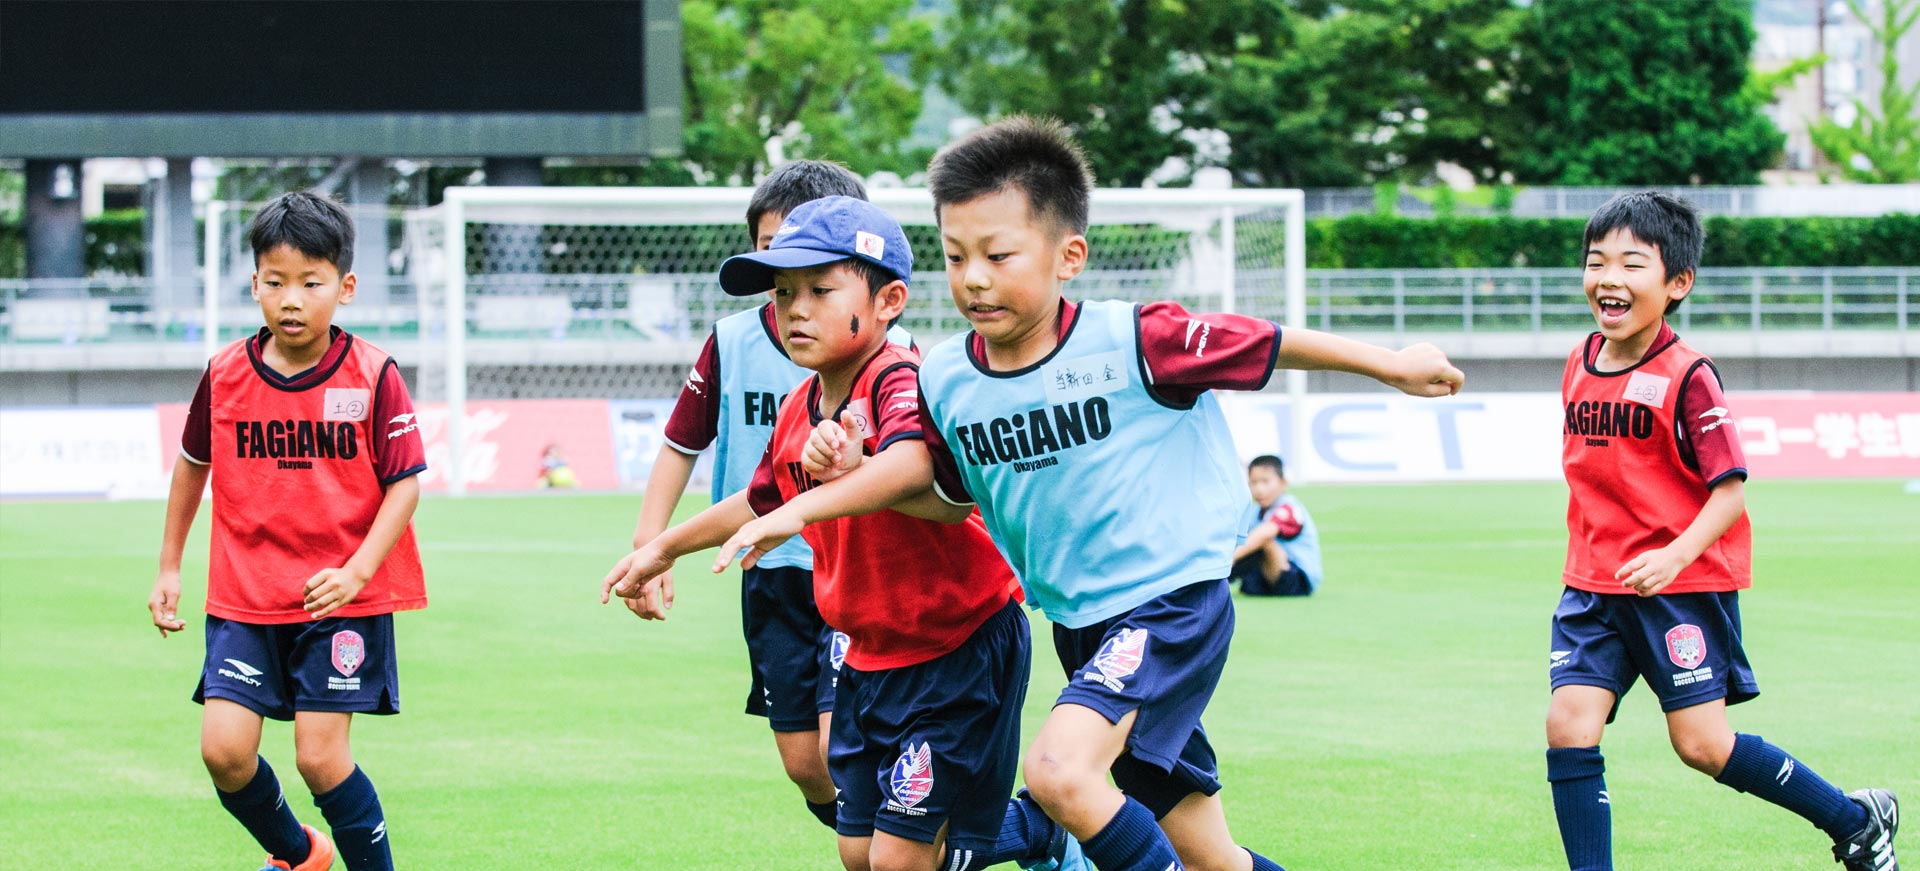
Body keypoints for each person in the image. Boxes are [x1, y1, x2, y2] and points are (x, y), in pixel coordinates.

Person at [717, 116, 1464, 871]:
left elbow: (1266, 342)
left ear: (1068, 255)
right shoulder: (949, 380)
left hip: (1171, 602)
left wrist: (1391, 363)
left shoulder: (1134, 339)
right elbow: (948, 499)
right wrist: (848, 481)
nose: (974, 276)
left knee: (1058, 773)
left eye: (998, 254)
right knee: (1212, 855)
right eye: (955, 255)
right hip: (1082, 627)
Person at [601, 196, 1077, 871]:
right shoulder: (801, 405)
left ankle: (1039, 828)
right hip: (870, 654)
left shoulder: (898, 378)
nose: (795, 309)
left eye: (820, 289)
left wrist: (804, 509)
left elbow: (911, 460)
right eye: (783, 291)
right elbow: (760, 496)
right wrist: (661, 546)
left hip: (955, 645)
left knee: (897, 860)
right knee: (860, 852)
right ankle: (1034, 830)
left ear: (888, 302)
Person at [1546, 191, 1898, 871]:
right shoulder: (1578, 361)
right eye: (1596, 262)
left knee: (1703, 745)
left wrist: (1673, 555)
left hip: (1680, 588)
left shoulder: (1689, 376)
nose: (1608, 278)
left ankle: (1856, 820)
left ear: (1677, 283)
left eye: (1631, 263)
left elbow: (1729, 492)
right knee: (1568, 726)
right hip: (1592, 587)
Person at [146, 191, 428, 871]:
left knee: (320, 756)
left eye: (311, 282)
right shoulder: (224, 374)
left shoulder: (373, 374)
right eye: (275, 282)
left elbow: (406, 483)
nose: (291, 299)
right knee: (224, 751)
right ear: (255, 286)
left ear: (346, 286)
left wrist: (358, 569)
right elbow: (191, 468)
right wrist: (169, 567)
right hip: (246, 594)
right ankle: (299, 853)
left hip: (342, 601)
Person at [624, 160, 910, 829]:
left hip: (855, 575)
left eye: (815, 272)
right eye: (776, 263)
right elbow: (689, 445)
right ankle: (883, 841)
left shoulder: (897, 364)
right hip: (771, 573)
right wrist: (654, 543)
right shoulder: (740, 346)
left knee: (850, 750)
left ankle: (906, 839)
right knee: (804, 761)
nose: (792, 289)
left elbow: (919, 474)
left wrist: (834, 482)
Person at [1230, 455, 1320, 597]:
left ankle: (1219, 574)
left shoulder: (1289, 507)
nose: (1259, 489)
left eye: (1265, 482)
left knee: (1262, 540)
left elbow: (1265, 534)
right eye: (1253, 483)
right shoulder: (1255, 511)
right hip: (1266, 575)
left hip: (1297, 578)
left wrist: (1231, 558)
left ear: (1283, 483)